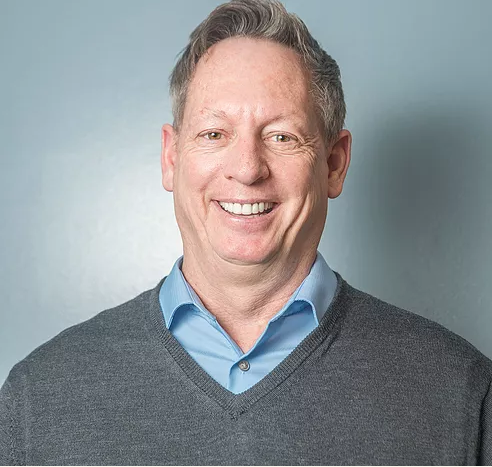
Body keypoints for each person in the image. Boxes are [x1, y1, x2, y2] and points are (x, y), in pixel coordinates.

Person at [1, 0, 491, 464]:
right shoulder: (36, 399)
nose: (247, 168)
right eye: (214, 133)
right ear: (171, 158)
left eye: (281, 136)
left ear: (334, 164)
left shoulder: (462, 394)